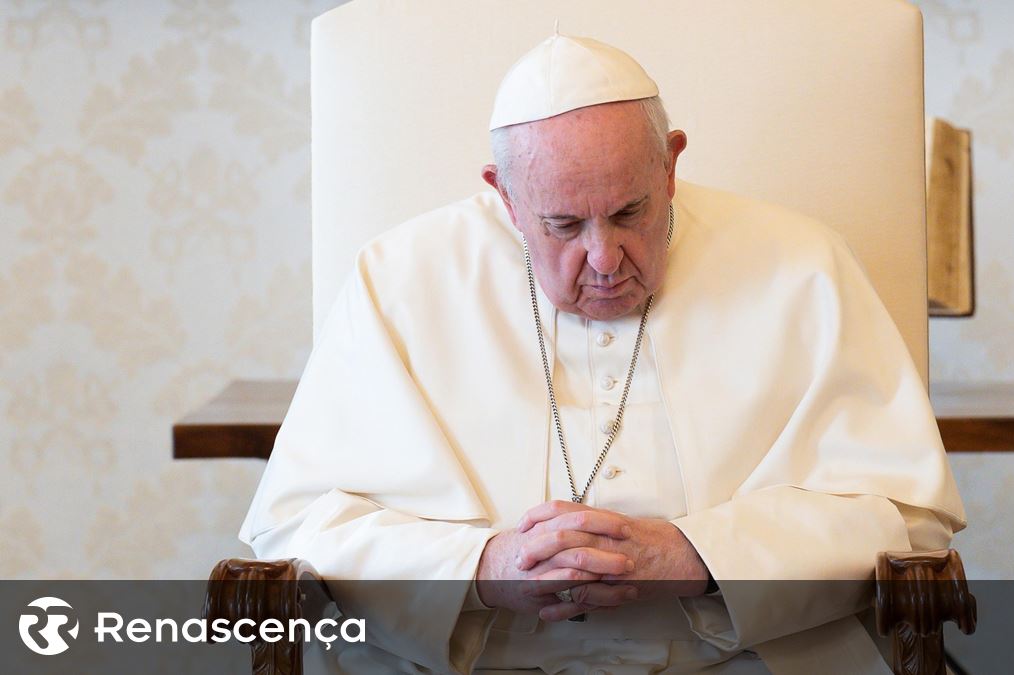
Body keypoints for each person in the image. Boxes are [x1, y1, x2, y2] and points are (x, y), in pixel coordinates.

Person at [240, 33, 965, 674]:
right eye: (562, 224)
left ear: (671, 164)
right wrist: (479, 567)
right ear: (505, 197)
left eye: (631, 212)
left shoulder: (801, 265)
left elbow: (907, 523)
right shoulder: (398, 280)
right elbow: (296, 529)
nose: (604, 258)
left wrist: (701, 557)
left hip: (739, 656)